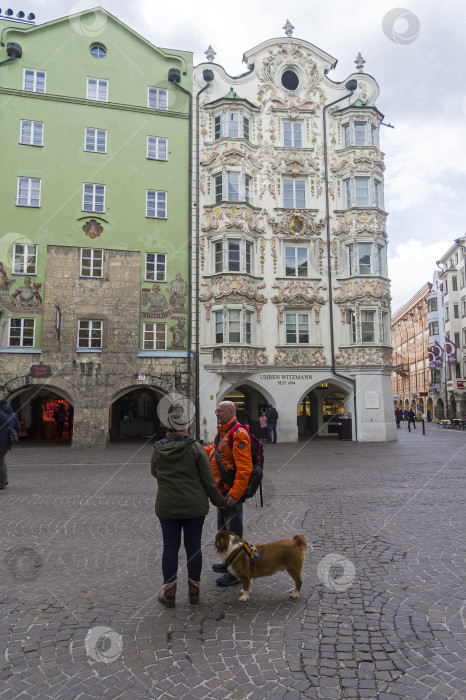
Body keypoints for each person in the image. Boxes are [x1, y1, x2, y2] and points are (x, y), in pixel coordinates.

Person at [151, 417, 224, 607]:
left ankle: (169, 594)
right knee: (193, 547)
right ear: (186, 429)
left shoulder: (158, 450)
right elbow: (208, 479)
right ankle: (194, 592)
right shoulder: (195, 448)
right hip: (194, 506)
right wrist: (219, 501)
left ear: (167, 429)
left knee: (170, 547)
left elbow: (154, 472)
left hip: (167, 506)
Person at [205, 401, 253, 587]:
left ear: (231, 412)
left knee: (233, 534)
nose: (217, 414)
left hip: (231, 493)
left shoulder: (238, 434)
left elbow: (244, 469)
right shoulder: (223, 432)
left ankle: (236, 571)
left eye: (220, 411)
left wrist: (234, 494)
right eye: (216, 411)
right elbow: (214, 450)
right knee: (224, 532)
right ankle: (227, 563)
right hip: (222, 491)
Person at [0, 399, 21, 490]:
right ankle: (5, 479)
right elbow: (18, 427)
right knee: (2, 460)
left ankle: (2, 482)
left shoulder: (0, 414)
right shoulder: (13, 414)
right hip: (8, 441)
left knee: (1, 462)